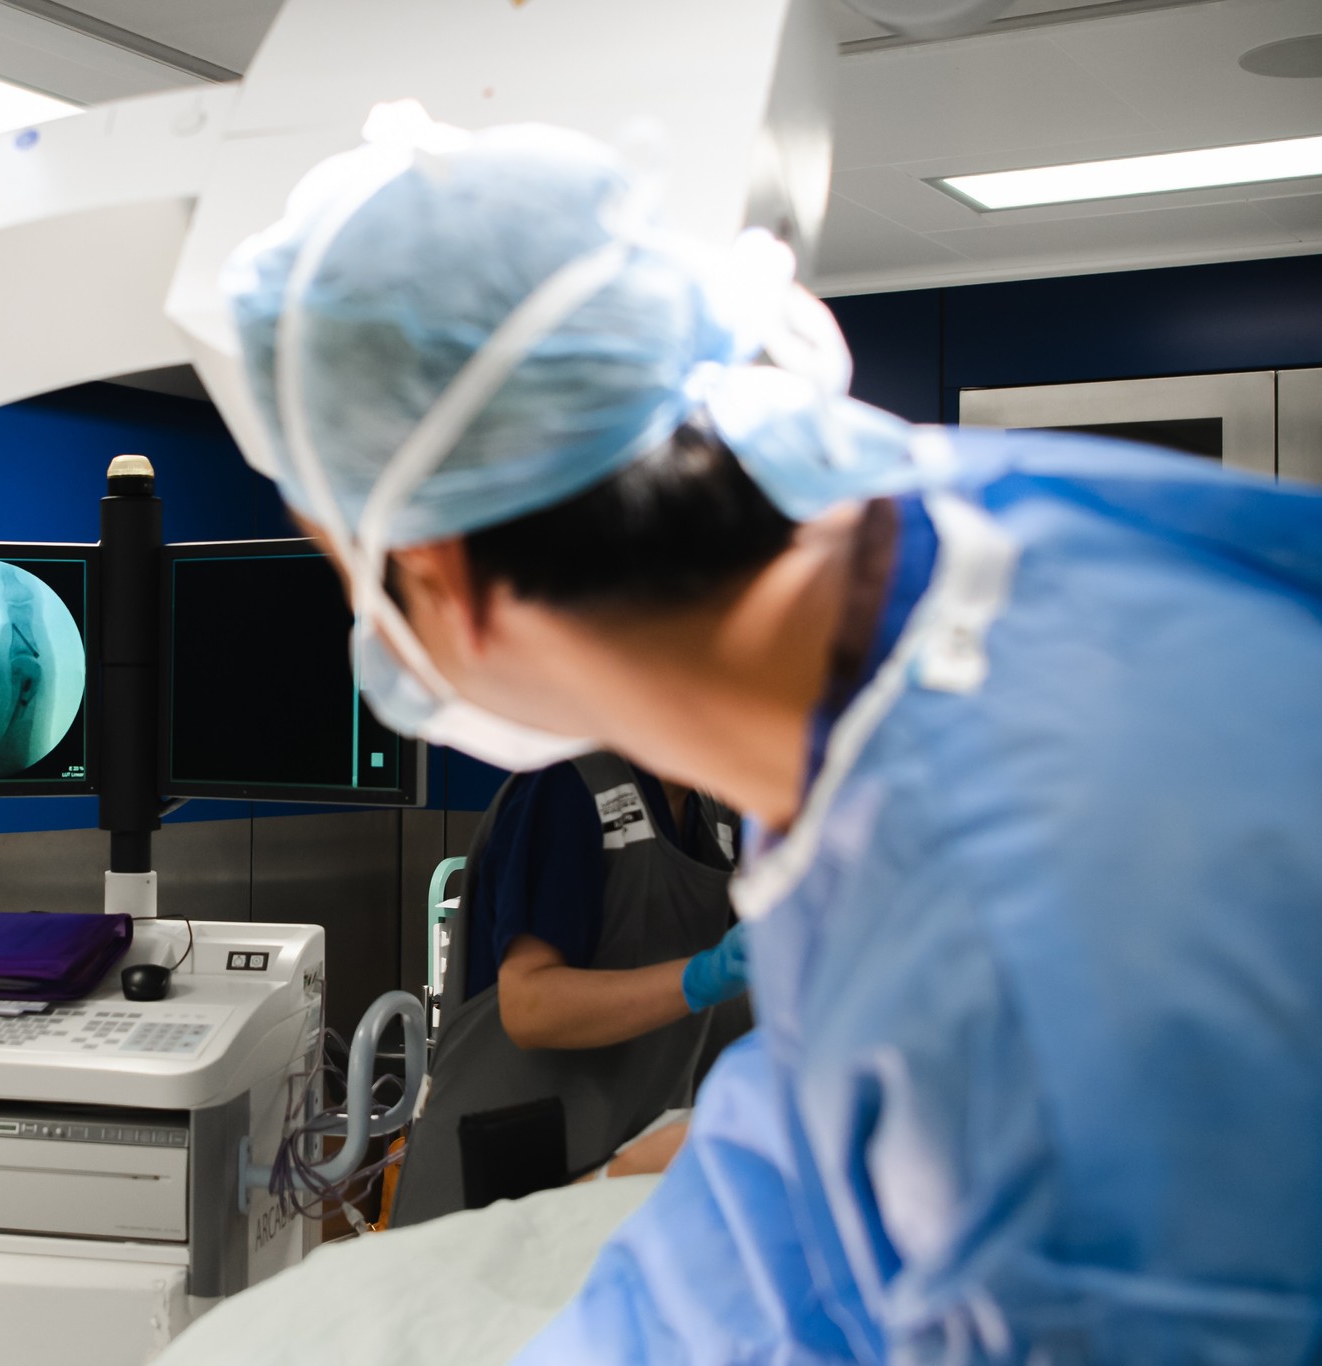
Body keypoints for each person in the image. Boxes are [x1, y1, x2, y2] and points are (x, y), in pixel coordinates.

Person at [219, 112, 1322, 1361]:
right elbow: (825, 1145)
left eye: (353, 580)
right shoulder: (958, 560)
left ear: (443, 579)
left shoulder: (1011, 928)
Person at [390, 752, 748, 1226]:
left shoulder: (711, 818)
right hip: (494, 1180)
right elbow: (529, 1007)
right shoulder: (570, 787)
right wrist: (703, 976)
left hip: (611, 1172)